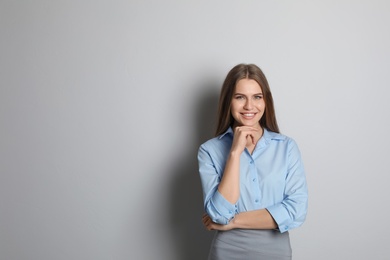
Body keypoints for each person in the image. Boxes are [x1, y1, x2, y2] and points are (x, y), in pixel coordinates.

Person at [197, 64, 308, 260]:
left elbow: (296, 211)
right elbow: (219, 214)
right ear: (228, 101)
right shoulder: (209, 151)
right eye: (240, 97)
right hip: (226, 253)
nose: (249, 106)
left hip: (276, 253)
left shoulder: (287, 147)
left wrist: (233, 222)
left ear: (266, 101)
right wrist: (234, 153)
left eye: (257, 97)